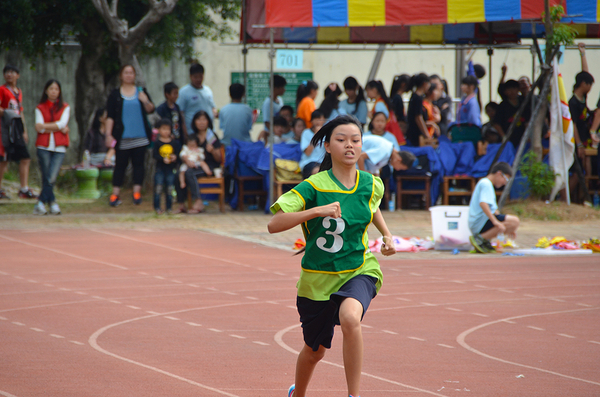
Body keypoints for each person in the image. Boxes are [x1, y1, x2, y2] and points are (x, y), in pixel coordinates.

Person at [267, 115, 396, 397]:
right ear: (327, 146)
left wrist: (386, 234)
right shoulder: (314, 186)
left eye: (355, 140)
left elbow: (371, 207)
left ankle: (354, 395)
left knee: (351, 317)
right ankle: (297, 393)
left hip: (358, 269)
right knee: (315, 352)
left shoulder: (371, 183)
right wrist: (316, 211)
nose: (349, 146)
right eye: (341, 140)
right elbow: (273, 224)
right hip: (317, 281)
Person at [105, 64, 155, 207]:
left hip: (140, 136)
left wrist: (144, 100)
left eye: (131, 73)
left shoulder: (141, 91)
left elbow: (151, 109)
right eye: (126, 73)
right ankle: (115, 195)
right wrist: (109, 135)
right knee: (120, 166)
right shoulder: (115, 94)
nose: (129, 75)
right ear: (121, 75)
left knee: (139, 165)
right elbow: (110, 117)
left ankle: (137, 193)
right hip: (122, 138)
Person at [33, 79, 70, 215]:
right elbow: (39, 127)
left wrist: (48, 126)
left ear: (59, 91)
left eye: (56, 89)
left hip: (59, 147)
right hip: (43, 146)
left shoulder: (65, 107)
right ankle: (52, 202)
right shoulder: (40, 107)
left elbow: (62, 123)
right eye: (51, 89)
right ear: (46, 91)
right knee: (46, 176)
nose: (54, 91)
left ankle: (41, 202)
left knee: (51, 177)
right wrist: (57, 127)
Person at [0, 64, 37, 199]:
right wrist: (6, 113)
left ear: (18, 75)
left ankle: (23, 189)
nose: (9, 74)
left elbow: (20, 111)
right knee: (4, 159)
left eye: (12, 72)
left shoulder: (18, 92)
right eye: (6, 72)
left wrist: (24, 130)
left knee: (25, 157)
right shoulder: (2, 90)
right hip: (5, 127)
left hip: (17, 127)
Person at [468, 162, 520, 253]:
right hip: (479, 222)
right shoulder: (486, 183)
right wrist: (495, 221)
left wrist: (510, 227)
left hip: (481, 221)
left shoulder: (488, 184)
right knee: (515, 220)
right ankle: (480, 239)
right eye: (506, 179)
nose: (504, 183)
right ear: (499, 174)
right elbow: (483, 203)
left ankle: (484, 240)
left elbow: (494, 210)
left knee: (513, 222)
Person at [185, 110, 223, 213]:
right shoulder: (192, 137)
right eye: (199, 120)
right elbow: (185, 151)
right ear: (194, 122)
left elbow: (219, 159)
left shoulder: (212, 137)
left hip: (210, 166)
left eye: (204, 120)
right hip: (195, 164)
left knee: (190, 173)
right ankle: (180, 204)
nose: (201, 122)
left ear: (208, 122)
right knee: (181, 172)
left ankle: (198, 201)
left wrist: (213, 151)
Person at [177, 63, 217, 134]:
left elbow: (213, 108)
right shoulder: (184, 92)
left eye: (200, 76)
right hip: (192, 132)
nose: (198, 79)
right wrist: (184, 132)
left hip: (208, 132)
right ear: (190, 76)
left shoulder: (208, 90)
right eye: (195, 77)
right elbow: (180, 112)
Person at [152, 119, 181, 215]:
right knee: (158, 188)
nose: (166, 131)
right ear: (159, 130)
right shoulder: (157, 143)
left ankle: (169, 208)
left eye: (168, 129)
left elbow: (177, 153)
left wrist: (174, 157)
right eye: (164, 129)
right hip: (160, 169)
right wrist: (162, 159)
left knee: (169, 188)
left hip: (170, 169)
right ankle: (157, 207)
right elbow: (155, 155)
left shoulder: (174, 143)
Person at [493, 79, 530, 149]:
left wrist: (527, 135)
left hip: (522, 137)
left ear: (518, 90)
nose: (512, 92)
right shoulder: (502, 106)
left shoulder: (523, 103)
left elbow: (527, 121)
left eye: (514, 88)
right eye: (509, 89)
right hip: (508, 138)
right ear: (505, 92)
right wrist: (504, 137)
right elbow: (496, 123)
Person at [156, 82, 187, 146]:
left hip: (178, 138)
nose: (176, 96)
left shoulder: (177, 107)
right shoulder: (161, 109)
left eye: (177, 93)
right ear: (167, 94)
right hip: (167, 139)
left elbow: (181, 122)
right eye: (174, 93)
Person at [299, 110, 327, 179]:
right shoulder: (306, 133)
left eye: (321, 119)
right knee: (318, 171)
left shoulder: (327, 134)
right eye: (316, 119)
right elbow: (308, 152)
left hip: (323, 162)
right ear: (311, 121)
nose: (318, 121)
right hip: (309, 162)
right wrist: (316, 135)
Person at [405, 73, 431, 146]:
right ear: (424, 84)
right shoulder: (418, 98)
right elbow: (418, 117)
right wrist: (426, 134)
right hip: (415, 133)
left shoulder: (414, 96)